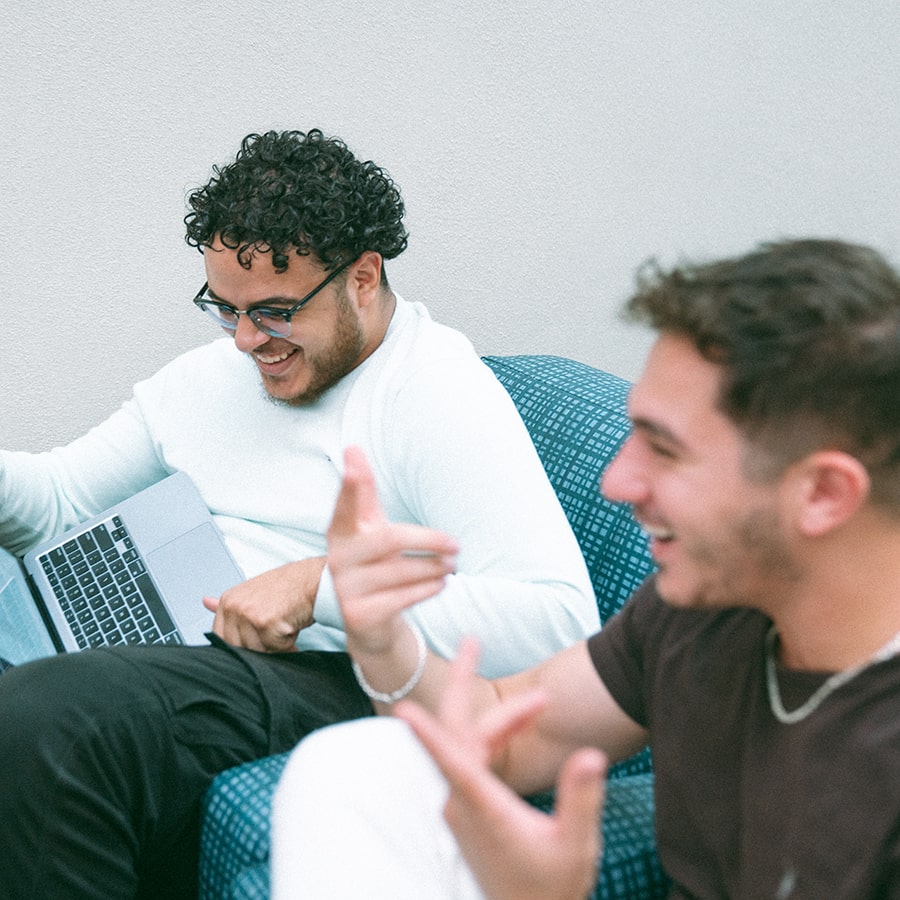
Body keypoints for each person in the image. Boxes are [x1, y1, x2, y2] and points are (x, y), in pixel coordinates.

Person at [0, 129, 599, 899]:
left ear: (362, 277)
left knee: (54, 721)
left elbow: (559, 618)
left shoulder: (436, 394)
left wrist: (321, 587)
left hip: (325, 672)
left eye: (276, 311)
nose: (248, 341)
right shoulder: (217, 372)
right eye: (226, 309)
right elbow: (56, 501)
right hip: (185, 635)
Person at [272, 238, 900, 899]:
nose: (618, 481)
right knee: (354, 767)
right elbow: (506, 735)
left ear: (824, 495)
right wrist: (379, 635)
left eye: (665, 450)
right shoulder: (700, 612)